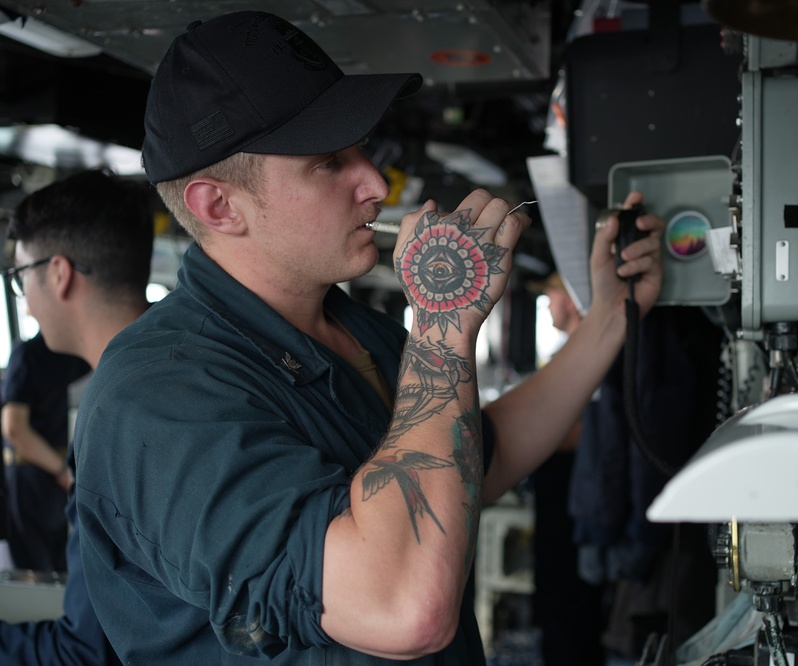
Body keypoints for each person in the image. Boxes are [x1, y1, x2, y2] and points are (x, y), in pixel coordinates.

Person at [72, 10, 665, 664]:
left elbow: (470, 467)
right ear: (220, 206)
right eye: (329, 162)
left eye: (362, 151)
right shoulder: (157, 396)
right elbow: (402, 609)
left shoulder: (356, 330)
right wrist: (443, 324)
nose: (376, 185)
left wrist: (609, 316)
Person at [0, 167, 155, 665]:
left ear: (59, 273)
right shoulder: (182, 371)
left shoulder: (115, 420)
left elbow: (86, 653)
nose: (25, 302)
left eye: (21, 276)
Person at [529, 272, 605, 665]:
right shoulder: (570, 358)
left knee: (570, 613)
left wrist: (530, 431)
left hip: (575, 506)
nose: (546, 304)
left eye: (551, 294)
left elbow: (588, 433)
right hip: (562, 500)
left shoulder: (586, 363)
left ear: (574, 300)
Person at [2, 332, 90, 572]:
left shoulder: (32, 354)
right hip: (41, 472)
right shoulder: (40, 354)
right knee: (48, 567)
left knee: (46, 568)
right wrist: (63, 470)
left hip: (54, 476)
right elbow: (14, 428)